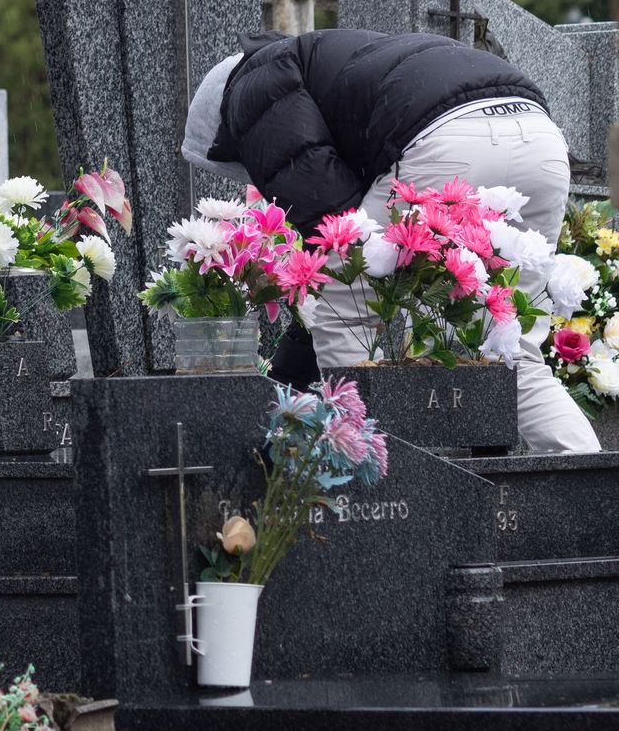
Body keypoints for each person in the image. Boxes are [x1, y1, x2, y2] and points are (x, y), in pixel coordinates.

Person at [182, 28, 598, 455]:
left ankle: (368, 486)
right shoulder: (323, 57)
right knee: (515, 352)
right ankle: (593, 487)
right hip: (540, 139)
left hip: (446, 139)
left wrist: (309, 337)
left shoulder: (255, 88)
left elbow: (330, 216)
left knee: (344, 313)